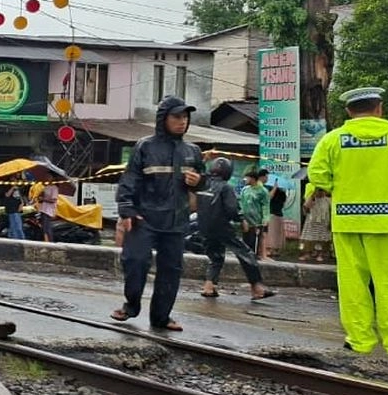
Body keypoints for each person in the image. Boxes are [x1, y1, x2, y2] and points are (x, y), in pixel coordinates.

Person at [307, 86, 388, 360]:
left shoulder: (333, 140)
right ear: (379, 108)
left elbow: (318, 176)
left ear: (349, 110)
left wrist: (343, 190)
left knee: (352, 283)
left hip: (347, 221)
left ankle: (359, 340)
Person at [111, 95, 204, 331]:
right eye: (177, 116)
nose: (182, 121)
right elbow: (129, 180)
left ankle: (161, 317)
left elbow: (204, 183)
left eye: (185, 117)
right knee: (135, 261)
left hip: (176, 221)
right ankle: (130, 306)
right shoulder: (145, 146)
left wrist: (198, 181)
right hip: (144, 218)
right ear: (163, 119)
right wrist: (127, 210)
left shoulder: (192, 151)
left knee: (171, 271)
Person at [197, 157, 274, 300]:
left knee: (215, 256)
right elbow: (232, 208)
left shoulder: (203, 185)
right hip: (221, 226)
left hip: (204, 226)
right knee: (245, 253)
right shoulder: (225, 187)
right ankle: (257, 287)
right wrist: (241, 219)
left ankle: (209, 286)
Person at [299, 178, 332, 263]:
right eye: (319, 190)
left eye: (322, 190)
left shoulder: (328, 200)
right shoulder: (311, 198)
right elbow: (306, 207)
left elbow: (331, 210)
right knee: (309, 237)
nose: (320, 192)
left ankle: (320, 254)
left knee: (322, 238)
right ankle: (307, 254)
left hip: (323, 222)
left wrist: (330, 223)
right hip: (311, 221)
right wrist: (313, 194)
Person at [239, 171, 269, 257]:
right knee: (245, 240)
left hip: (256, 221)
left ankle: (254, 258)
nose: (245, 180)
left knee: (254, 242)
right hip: (245, 220)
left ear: (252, 179)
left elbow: (265, 206)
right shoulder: (245, 190)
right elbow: (241, 202)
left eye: (247, 178)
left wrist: (265, 219)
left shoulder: (263, 191)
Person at [266, 173, 287, 259]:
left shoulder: (279, 193)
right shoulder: (280, 193)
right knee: (274, 233)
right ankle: (273, 249)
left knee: (274, 233)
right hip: (275, 214)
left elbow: (269, 199)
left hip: (275, 214)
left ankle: (273, 250)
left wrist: (274, 188)